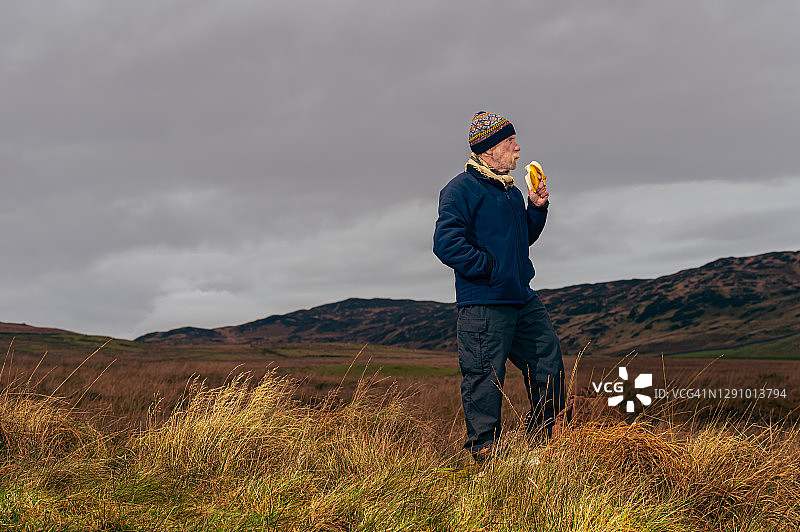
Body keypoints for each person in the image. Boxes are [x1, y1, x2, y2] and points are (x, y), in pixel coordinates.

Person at [433, 111, 565, 462]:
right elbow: (446, 244)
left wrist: (536, 208)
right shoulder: (461, 189)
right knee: (484, 376)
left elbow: (520, 242)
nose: (518, 148)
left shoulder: (509, 190)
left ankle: (545, 441)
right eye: (510, 143)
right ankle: (485, 454)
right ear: (490, 150)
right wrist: (489, 268)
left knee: (547, 358)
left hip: (522, 297)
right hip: (484, 302)